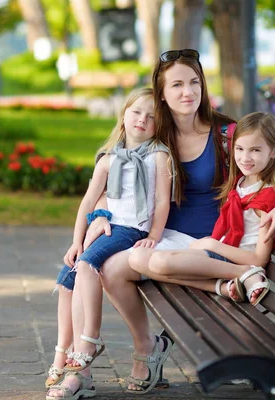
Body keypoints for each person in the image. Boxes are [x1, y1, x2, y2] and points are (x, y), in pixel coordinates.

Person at [74, 49, 275, 395]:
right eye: (176, 85)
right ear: (161, 93)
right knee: (112, 268)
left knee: (134, 261)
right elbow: (116, 179)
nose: (187, 92)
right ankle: (148, 348)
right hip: (169, 236)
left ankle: (235, 282)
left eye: (194, 82)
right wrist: (101, 211)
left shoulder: (227, 134)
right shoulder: (154, 137)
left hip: (219, 240)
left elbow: (270, 169)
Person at [46, 88, 176, 399]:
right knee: (69, 279)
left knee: (89, 265)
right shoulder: (108, 159)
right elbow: (88, 202)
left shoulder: (160, 156)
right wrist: (76, 242)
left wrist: (154, 235)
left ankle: (88, 344)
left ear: (159, 125)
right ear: (123, 114)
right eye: (136, 113)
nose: (142, 120)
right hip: (110, 226)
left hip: (132, 230)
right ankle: (68, 356)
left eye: (151, 117)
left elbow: (162, 202)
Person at [130, 111, 275, 307]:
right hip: (219, 254)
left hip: (229, 258)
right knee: (136, 259)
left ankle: (244, 273)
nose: (245, 157)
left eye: (255, 150)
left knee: (159, 263)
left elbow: (259, 258)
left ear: (274, 151)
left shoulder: (267, 197)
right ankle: (221, 287)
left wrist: (212, 245)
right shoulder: (241, 181)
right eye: (239, 149)